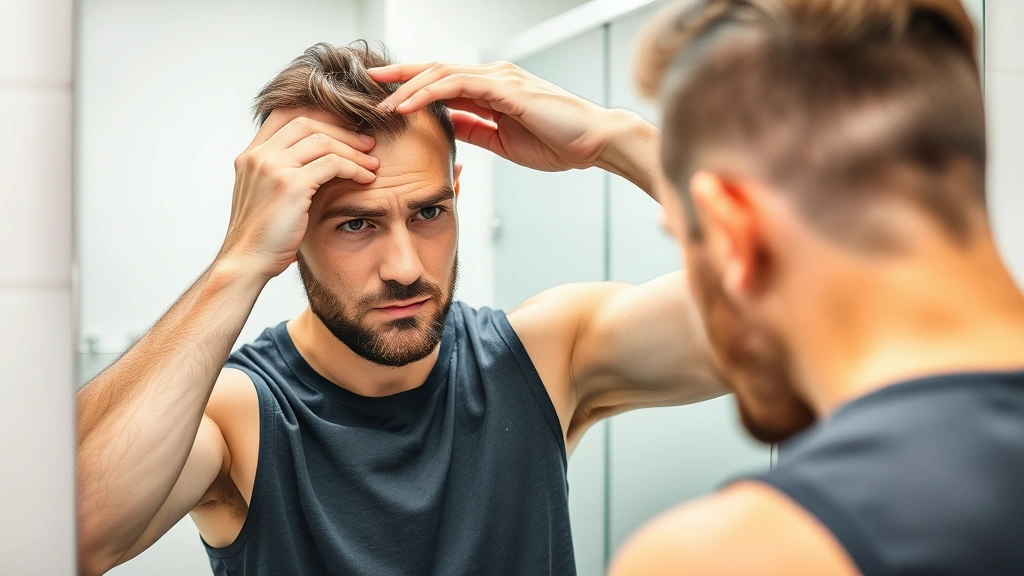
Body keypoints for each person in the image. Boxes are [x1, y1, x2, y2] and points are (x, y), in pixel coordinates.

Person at [372, 0, 1024, 573]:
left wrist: (619, 138)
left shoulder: (742, 555)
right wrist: (617, 138)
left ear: (734, 232)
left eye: (686, 238)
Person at [75, 42, 726, 576]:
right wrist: (238, 260)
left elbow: (801, 317)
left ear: (456, 192)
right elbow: (74, 535)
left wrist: (618, 137)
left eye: (429, 212)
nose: (407, 267)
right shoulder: (241, 412)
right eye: (355, 225)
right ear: (291, 226)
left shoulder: (547, 355)